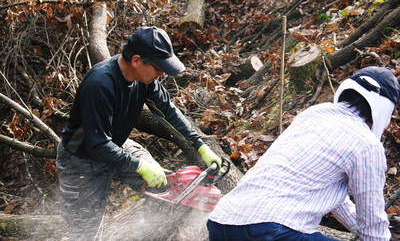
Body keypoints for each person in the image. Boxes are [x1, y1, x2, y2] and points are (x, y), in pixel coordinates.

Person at [56, 26, 222, 241]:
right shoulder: (100, 84)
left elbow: (168, 110)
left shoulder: (144, 80)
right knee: (85, 233)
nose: (162, 73)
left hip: (115, 144)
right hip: (81, 159)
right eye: (158, 68)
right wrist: (139, 166)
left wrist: (199, 144)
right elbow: (96, 144)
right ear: (136, 60)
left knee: (166, 188)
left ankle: (149, 231)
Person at [207, 66, 400, 241]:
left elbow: (334, 197)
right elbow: (372, 224)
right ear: (385, 110)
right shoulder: (367, 145)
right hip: (271, 231)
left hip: (222, 222)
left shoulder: (315, 113)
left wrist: (360, 227)